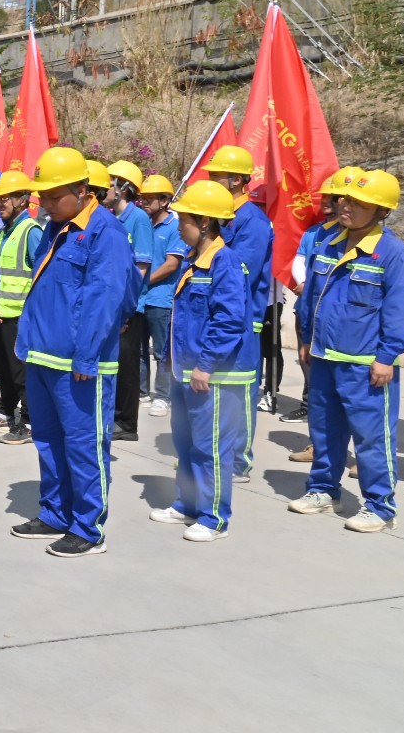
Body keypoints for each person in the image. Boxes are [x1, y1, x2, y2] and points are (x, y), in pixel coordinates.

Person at [11, 146, 136, 558]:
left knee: (84, 445)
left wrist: (88, 354)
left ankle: (87, 527)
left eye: (53, 196)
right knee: (48, 440)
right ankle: (55, 512)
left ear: (81, 190)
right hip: (43, 355)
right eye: (42, 197)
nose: (45, 204)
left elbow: (107, 297)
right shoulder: (55, 228)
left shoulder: (105, 232)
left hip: (80, 363)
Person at [290, 169, 404, 531]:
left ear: (382, 211)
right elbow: (311, 297)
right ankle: (323, 490)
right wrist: (307, 338)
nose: (346, 206)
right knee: (324, 430)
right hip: (324, 357)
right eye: (345, 199)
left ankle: (380, 507)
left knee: (372, 438)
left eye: (359, 203)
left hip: (365, 364)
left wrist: (386, 357)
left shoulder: (392, 254)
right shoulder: (328, 243)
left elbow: (400, 310)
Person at [150, 180, 257, 541]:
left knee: (211, 448)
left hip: (212, 375)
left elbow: (228, 320)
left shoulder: (225, 263)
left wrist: (206, 365)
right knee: (186, 444)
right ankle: (188, 504)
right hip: (186, 370)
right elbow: (183, 319)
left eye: (185, 221)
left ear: (206, 222)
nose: (180, 227)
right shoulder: (194, 260)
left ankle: (214, 518)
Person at [202, 144, 274, 481]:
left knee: (239, 390)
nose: (211, 181)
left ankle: (238, 461)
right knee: (214, 388)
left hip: (243, 319)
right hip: (213, 314)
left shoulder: (252, 222)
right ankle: (213, 454)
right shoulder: (217, 215)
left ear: (236, 180)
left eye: (217, 176)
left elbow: (241, 271)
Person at [283, 168, 357, 431]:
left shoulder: (365, 239)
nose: (326, 201)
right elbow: (300, 259)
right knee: (310, 366)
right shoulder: (316, 233)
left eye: (332, 197)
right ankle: (311, 412)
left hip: (341, 319)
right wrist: (305, 285)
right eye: (324, 196)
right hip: (309, 309)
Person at [0, 171, 42, 446]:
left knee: (22, 373)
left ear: (23, 199)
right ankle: (7, 414)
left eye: (7, 197)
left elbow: (41, 275)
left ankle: (29, 423)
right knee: (4, 370)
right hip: (0, 314)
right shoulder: (6, 230)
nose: (1, 202)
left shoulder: (31, 231)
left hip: (20, 314)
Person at [106, 160, 157, 443]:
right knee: (113, 363)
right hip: (113, 304)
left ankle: (126, 423)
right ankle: (113, 415)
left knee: (127, 365)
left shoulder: (138, 220)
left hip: (130, 306)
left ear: (123, 188)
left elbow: (142, 266)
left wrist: (125, 305)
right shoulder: (112, 217)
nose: (105, 188)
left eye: (110, 182)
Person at [139, 174, 187, 419]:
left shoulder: (174, 228)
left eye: (150, 198)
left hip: (161, 299)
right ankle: (141, 392)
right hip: (140, 299)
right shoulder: (142, 224)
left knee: (161, 352)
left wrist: (141, 281)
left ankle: (162, 396)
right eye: (143, 198)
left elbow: (171, 264)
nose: (145, 202)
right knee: (139, 350)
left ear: (165, 200)